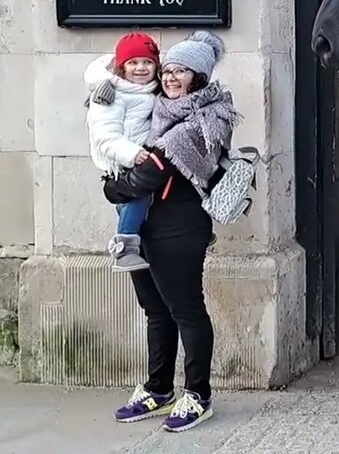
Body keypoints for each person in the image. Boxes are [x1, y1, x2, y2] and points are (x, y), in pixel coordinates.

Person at [103, 30, 234, 433]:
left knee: (186, 311)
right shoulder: (152, 110)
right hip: (145, 228)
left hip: (181, 226)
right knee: (156, 312)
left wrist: (112, 186)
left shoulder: (204, 119)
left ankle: (198, 394)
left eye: (183, 71)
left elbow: (148, 174)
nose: (173, 78)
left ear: (199, 76)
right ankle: (159, 388)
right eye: (169, 70)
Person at [84, 32, 160, 273]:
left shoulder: (151, 90)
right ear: (121, 67)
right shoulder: (110, 94)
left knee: (142, 203)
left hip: (142, 157)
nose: (141, 68)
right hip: (125, 162)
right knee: (138, 197)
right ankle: (124, 246)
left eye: (147, 62)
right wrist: (132, 153)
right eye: (133, 62)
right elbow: (105, 136)